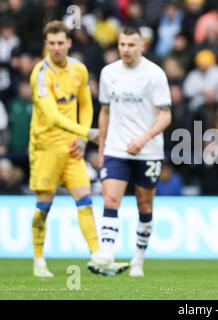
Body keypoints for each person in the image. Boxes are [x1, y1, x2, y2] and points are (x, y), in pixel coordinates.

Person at [88, 27, 172, 277]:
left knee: (144, 206)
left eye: (131, 45)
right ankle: (107, 254)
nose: (125, 49)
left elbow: (166, 115)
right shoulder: (108, 73)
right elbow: (104, 111)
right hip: (116, 148)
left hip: (148, 151)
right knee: (111, 200)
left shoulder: (154, 74)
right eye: (122, 44)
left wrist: (144, 138)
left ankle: (138, 259)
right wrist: (102, 146)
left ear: (141, 46)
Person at [28, 21, 104, 277]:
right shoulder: (40, 74)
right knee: (43, 207)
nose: (57, 48)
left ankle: (97, 255)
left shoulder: (79, 70)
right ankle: (39, 260)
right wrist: (87, 132)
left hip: (72, 147)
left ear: (69, 43)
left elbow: (86, 104)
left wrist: (81, 138)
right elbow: (51, 116)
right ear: (46, 45)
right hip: (45, 146)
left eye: (61, 42)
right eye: (52, 43)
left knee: (85, 200)